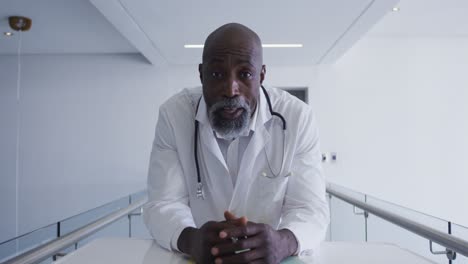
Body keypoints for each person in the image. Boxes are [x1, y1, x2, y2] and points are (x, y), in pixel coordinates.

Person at [143, 23, 329, 264]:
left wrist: (284, 241)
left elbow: (310, 208)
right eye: (217, 74)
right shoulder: (174, 115)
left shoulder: (297, 118)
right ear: (201, 74)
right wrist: (190, 239)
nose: (231, 90)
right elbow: (163, 203)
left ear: (261, 75)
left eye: (245, 74)